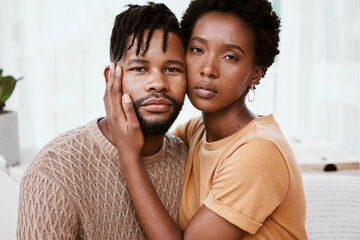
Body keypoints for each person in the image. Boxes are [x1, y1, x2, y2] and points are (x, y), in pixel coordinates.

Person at [106, 0, 308, 239]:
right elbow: (147, 141)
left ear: (256, 73)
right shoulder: (196, 132)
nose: (208, 69)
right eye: (197, 50)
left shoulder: (259, 151)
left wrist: (129, 160)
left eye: (230, 57)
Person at [17, 2, 188, 239]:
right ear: (112, 77)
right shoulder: (52, 173)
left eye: (172, 69)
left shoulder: (190, 162)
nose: (158, 83)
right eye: (139, 68)